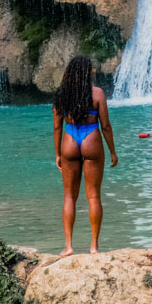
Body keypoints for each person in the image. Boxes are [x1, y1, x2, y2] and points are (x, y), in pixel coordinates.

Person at [52, 54, 118, 256]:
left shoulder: (61, 95)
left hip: (70, 139)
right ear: (86, 72)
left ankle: (69, 247)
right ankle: (94, 247)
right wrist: (112, 152)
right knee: (93, 196)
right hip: (91, 137)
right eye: (92, 68)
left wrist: (57, 154)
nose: (95, 71)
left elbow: (57, 127)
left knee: (69, 196)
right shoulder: (97, 94)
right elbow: (105, 126)